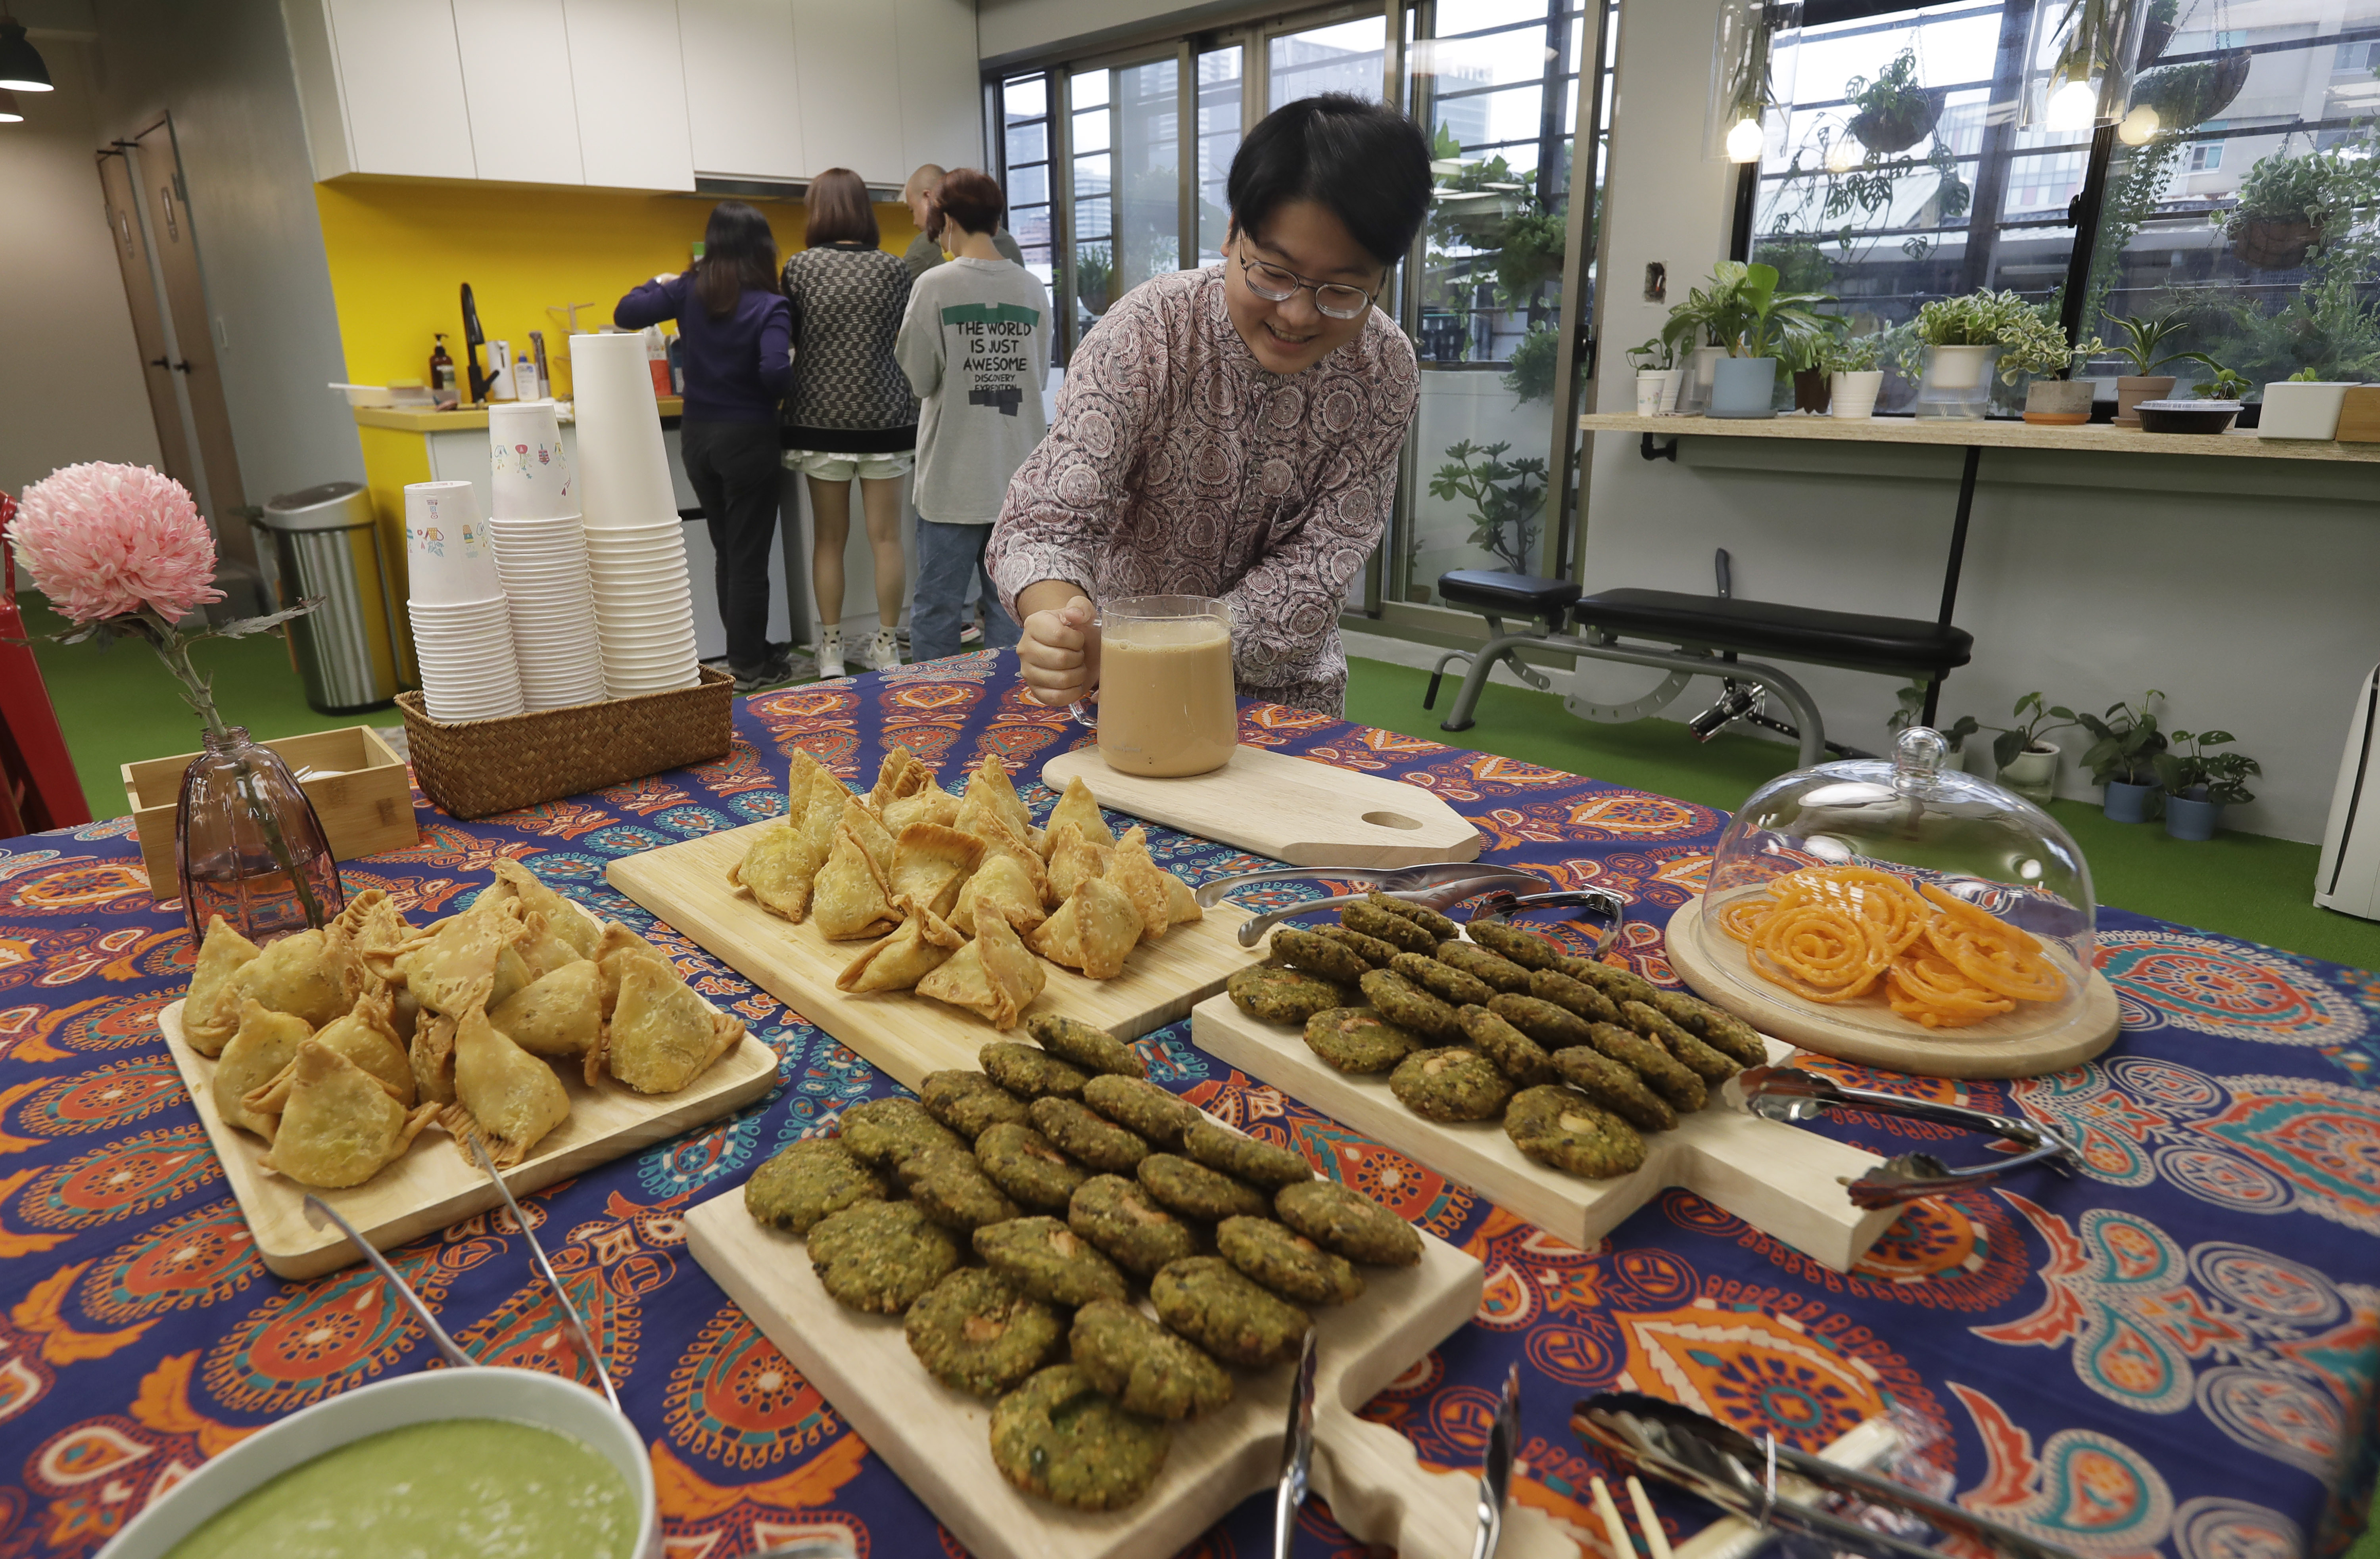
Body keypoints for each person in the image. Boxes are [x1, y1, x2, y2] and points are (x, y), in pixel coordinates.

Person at [987, 94, 1432, 717]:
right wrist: (1063, 625)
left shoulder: (1384, 368)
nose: (1298, 314)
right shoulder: (1152, 331)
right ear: (1231, 235)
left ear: (1381, 280)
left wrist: (1131, 648)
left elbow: (1316, 572)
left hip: (1281, 701)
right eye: (1274, 273)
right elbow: (1049, 520)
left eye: (1342, 290)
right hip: (1118, 692)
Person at [614, 200, 793, 692]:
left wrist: (661, 281)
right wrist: (776, 390)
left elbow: (626, 312)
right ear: (763, 251)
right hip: (749, 439)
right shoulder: (769, 304)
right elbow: (776, 370)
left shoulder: (687, 291)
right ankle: (750, 666)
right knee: (750, 556)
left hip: (698, 438)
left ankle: (745, 658)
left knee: (727, 553)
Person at [894, 168, 1050, 665]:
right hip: (1016, 478)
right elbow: (1038, 378)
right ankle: (1006, 711)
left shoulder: (934, 286)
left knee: (938, 608)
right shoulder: (1031, 289)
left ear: (949, 220)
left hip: (950, 480)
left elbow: (919, 380)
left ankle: (934, 706)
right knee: (1009, 608)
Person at [781, 168, 916, 678]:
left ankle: (831, 650)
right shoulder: (894, 269)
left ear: (817, 210)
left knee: (828, 540)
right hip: (885, 416)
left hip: (819, 418)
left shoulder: (799, 268)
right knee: (887, 539)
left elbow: (788, 337)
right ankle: (887, 645)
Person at [901, 163, 1026, 280]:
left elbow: (896, 288)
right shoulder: (1009, 241)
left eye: (912, 210)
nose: (915, 222)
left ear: (929, 198)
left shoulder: (927, 245)